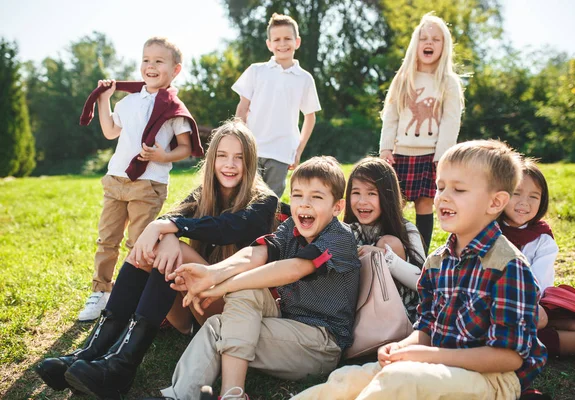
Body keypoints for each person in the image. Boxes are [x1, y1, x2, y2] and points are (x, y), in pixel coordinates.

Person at [35, 120, 278, 399]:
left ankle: (121, 367)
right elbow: (169, 219)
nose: (230, 164)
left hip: (229, 312)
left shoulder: (263, 201)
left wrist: (172, 229)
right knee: (152, 248)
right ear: (212, 159)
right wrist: (167, 231)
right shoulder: (204, 194)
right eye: (222, 155)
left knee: (175, 249)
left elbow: (228, 227)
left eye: (239, 157)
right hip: (191, 309)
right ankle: (93, 351)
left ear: (250, 161)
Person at [292, 140, 547, 400]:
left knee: (400, 380)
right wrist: (401, 347)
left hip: (492, 381)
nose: (444, 196)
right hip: (436, 367)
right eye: (440, 186)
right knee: (349, 379)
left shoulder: (508, 266)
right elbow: (425, 329)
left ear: (495, 203)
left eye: (458, 189)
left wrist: (428, 356)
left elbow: (508, 358)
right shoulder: (437, 261)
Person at [157, 156, 361, 400]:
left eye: (316, 197)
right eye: (297, 195)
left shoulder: (339, 237)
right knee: (220, 320)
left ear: (336, 207)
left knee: (237, 300)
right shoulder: (291, 229)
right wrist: (212, 273)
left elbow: (294, 268)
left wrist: (216, 288)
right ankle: (180, 395)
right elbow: (254, 255)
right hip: (286, 323)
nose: (304, 204)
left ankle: (231, 395)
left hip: (320, 343)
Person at [79, 37, 199, 322]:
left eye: (159, 61)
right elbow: (110, 131)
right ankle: (100, 290)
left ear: (175, 69)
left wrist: (161, 155)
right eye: (146, 60)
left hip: (149, 183)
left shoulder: (174, 108)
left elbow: (184, 147)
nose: (150, 66)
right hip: (116, 179)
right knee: (107, 239)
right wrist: (105, 100)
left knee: (139, 243)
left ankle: (130, 293)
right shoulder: (129, 101)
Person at [379, 13, 464, 254]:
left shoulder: (448, 82)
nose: (429, 43)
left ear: (444, 46)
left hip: (430, 154)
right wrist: (386, 147)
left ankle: (421, 254)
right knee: (395, 204)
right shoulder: (403, 79)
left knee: (425, 204)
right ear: (415, 44)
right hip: (400, 153)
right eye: (424, 38)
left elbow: (450, 121)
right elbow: (391, 115)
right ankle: (395, 247)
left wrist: (443, 156)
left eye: (436, 39)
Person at [500, 158, 575, 357]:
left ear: (542, 201)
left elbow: (538, 287)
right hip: (489, 305)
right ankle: (502, 343)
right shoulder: (484, 229)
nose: (524, 203)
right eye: (516, 193)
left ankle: (520, 345)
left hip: (532, 308)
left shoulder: (542, 239)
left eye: (533, 197)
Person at [233, 13, 321, 197]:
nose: (282, 44)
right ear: (269, 44)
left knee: (270, 202)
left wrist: (298, 151)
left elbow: (310, 117)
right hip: (252, 148)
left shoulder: (304, 78)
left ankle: (268, 227)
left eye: (287, 38)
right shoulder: (256, 71)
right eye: (277, 39)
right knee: (243, 197)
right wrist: (238, 141)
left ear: (297, 42)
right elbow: (242, 109)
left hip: (282, 152)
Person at [343, 157, 425, 322]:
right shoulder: (346, 231)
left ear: (387, 196)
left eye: (372, 193)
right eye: (356, 192)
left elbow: (423, 281)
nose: (362, 201)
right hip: (357, 311)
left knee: (389, 242)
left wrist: (384, 256)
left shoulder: (406, 229)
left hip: (398, 312)